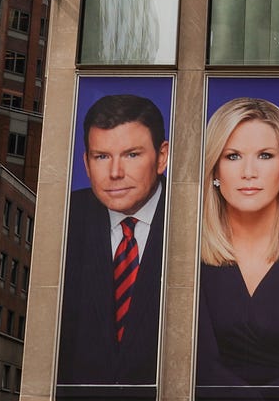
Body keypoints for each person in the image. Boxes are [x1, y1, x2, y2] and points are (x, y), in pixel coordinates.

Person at [58, 94, 170, 386]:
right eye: (102, 157)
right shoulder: (66, 218)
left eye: (132, 155)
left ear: (162, 157)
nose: (115, 173)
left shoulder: (196, 216)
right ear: (86, 162)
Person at [195, 97, 279, 397]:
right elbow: (198, 364)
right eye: (233, 156)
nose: (249, 172)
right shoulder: (187, 255)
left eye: (265, 156)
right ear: (215, 169)